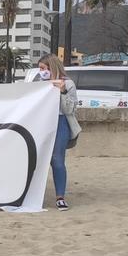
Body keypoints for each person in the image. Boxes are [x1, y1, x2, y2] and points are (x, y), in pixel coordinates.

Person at [37, 55, 78, 211]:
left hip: (60, 123)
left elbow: (70, 109)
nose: (41, 72)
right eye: (40, 68)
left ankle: (60, 197)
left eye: (43, 68)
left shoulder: (68, 84)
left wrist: (62, 91)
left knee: (57, 159)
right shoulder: (38, 84)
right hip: (41, 124)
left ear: (51, 68)